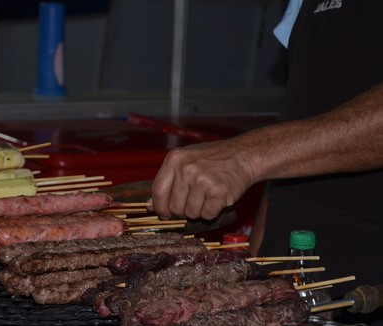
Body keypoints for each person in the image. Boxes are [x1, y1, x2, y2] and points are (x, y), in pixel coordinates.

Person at [151, 0, 383, 302]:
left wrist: (247, 157)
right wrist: (257, 261)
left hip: (371, 289)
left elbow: (262, 157)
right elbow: (297, 126)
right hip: (294, 280)